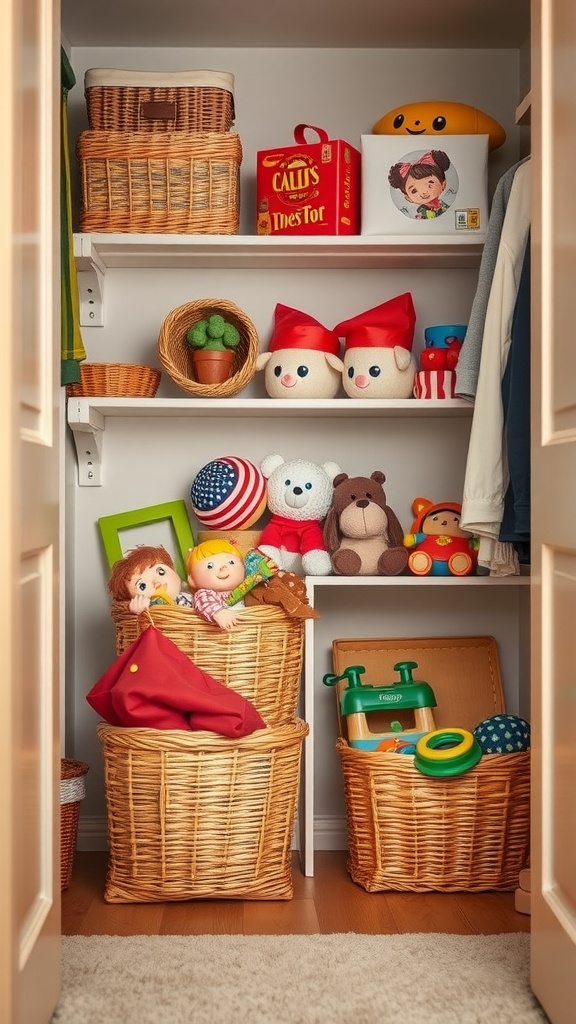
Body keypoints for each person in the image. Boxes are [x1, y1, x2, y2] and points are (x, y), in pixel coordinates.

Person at [107, 544, 193, 614]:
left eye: (161, 572)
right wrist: (140, 610)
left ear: (173, 570)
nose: (157, 583)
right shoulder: (152, 608)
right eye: (142, 586)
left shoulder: (191, 596)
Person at [186, 539, 247, 630]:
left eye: (231, 562)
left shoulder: (246, 587)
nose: (223, 567)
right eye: (210, 566)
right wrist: (218, 613)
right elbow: (204, 602)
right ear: (192, 580)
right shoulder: (206, 593)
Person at [388, 150, 451, 219]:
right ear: (408, 198)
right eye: (414, 190)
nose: (424, 192)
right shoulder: (421, 214)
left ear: (443, 184)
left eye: (430, 184)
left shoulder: (447, 206)